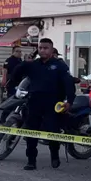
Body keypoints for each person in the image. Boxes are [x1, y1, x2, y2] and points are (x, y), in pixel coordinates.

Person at [9, 37, 76, 171]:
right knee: (31, 131)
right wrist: (24, 63)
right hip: (34, 101)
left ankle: (54, 154)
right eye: (40, 48)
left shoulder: (59, 65)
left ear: (51, 50)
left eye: (46, 48)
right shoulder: (33, 64)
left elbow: (69, 83)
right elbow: (16, 74)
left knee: (52, 131)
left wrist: (69, 101)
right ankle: (31, 160)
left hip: (53, 102)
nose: (42, 50)